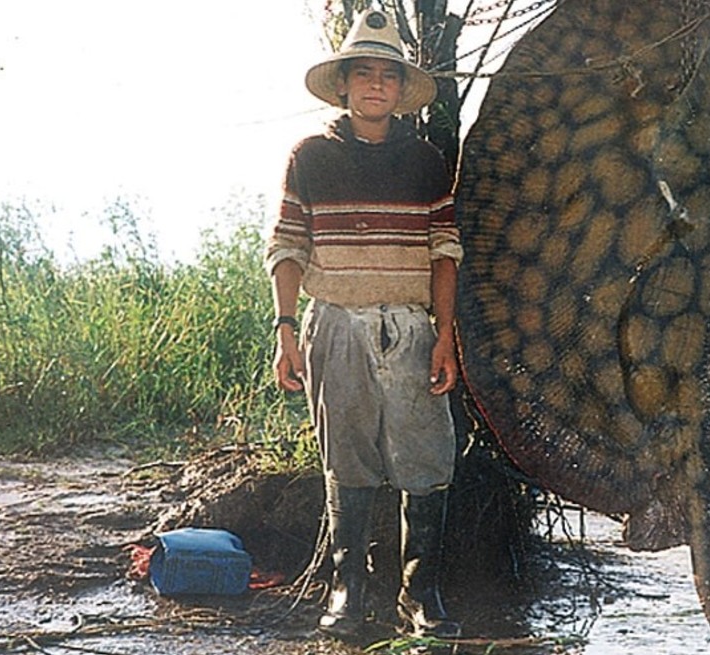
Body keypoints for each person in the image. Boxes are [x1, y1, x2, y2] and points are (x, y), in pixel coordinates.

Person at [264, 7, 462, 639]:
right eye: (364, 74)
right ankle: (349, 591)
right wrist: (286, 331)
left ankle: (418, 592)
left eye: (388, 75)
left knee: (425, 456)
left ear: (402, 90)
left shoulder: (428, 162)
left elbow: (445, 252)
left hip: (410, 327)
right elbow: (286, 246)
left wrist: (446, 337)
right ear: (344, 84)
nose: (376, 86)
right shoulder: (311, 156)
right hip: (335, 326)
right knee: (346, 457)